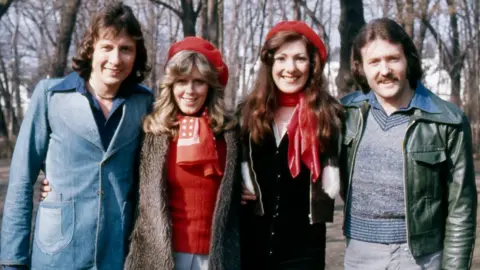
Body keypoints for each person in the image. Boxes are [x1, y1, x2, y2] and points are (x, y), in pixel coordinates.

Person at [0, 2, 153, 269]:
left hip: (117, 253)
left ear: (136, 54)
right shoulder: (51, 96)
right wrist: (12, 260)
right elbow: (22, 180)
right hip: (57, 252)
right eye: (107, 47)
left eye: (126, 49)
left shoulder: (143, 103)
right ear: (91, 49)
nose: (115, 59)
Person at [341, 18, 477, 270]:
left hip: (420, 257)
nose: (384, 70)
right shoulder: (345, 113)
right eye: (374, 62)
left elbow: (462, 209)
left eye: (393, 58)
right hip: (358, 254)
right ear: (360, 68)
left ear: (408, 60)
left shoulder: (447, 120)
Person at [123, 37, 241, 270]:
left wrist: (247, 186)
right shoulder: (153, 132)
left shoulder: (229, 134)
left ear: (210, 87)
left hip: (216, 258)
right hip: (161, 258)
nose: (189, 91)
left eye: (198, 82)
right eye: (181, 81)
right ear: (171, 85)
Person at [239, 21, 344, 269]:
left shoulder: (331, 116)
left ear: (312, 65)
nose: (291, 68)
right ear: (270, 64)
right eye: (282, 58)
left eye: (300, 59)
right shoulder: (246, 115)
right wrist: (234, 188)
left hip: (304, 251)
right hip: (251, 248)